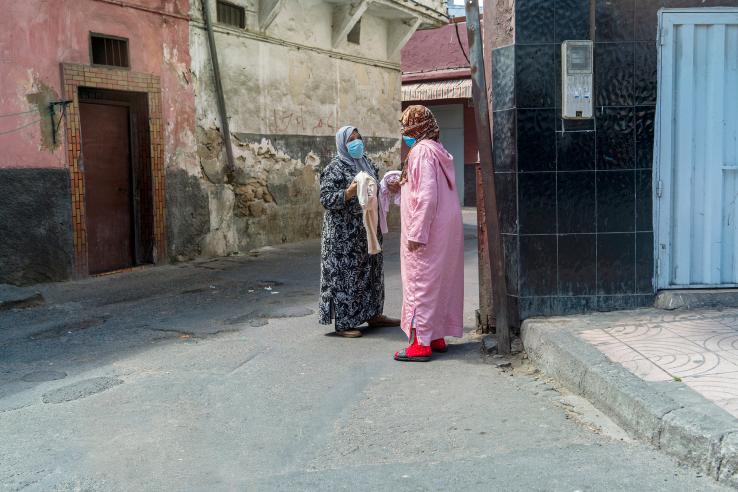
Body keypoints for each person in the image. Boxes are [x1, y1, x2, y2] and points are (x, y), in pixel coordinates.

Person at [394, 105, 464, 361]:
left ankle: (421, 342)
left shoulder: (421, 152)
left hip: (429, 230)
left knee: (419, 281)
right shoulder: (437, 150)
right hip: (445, 229)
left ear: (416, 128)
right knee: (440, 281)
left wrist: (416, 233)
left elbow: (426, 195)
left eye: (406, 127)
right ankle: (436, 335)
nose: (404, 132)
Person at [319, 126, 400, 338]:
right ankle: (345, 323)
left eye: (358, 138)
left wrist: (388, 186)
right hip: (343, 235)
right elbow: (326, 199)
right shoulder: (334, 168)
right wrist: (349, 192)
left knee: (372, 271)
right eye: (351, 140)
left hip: (368, 229)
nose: (356, 142)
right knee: (347, 276)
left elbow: (376, 189)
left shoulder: (367, 163)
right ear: (342, 144)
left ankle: (374, 314)